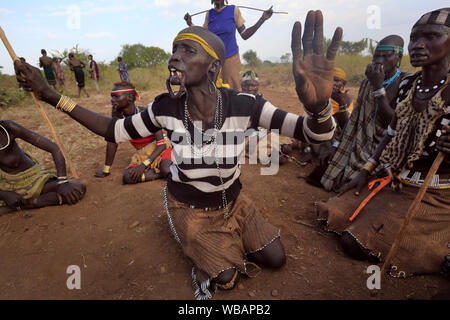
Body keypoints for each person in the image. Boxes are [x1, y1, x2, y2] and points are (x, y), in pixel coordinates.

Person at [15, 11, 342, 299]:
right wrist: (51, 95)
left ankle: (225, 238)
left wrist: (318, 108)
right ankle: (193, 238)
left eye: (188, 50)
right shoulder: (164, 108)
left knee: (276, 258)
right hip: (192, 207)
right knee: (225, 279)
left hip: (235, 202)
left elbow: (316, 134)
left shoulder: (246, 105)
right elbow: (113, 131)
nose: (175, 58)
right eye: (174, 50)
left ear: (214, 65)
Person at [316, 8, 450, 278]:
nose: (418, 45)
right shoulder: (408, 84)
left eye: (431, 37)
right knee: (331, 212)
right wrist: (366, 170)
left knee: (356, 241)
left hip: (435, 193)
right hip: (397, 179)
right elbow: (391, 130)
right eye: (414, 38)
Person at [319, 35, 409, 192]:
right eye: (376, 56)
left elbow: (393, 123)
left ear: (398, 56)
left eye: (386, 56)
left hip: (385, 148)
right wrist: (337, 144)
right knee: (331, 173)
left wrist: (378, 87)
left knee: (362, 184)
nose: (379, 61)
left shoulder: (405, 82)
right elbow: (355, 119)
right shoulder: (367, 82)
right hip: (359, 144)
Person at [0, 120, 86, 215]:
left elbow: (53, 148)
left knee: (77, 188)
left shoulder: (8, 128)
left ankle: (26, 204)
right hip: (5, 186)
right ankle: (17, 202)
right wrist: (4, 194)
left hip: (34, 180)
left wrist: (63, 182)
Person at [94, 81, 172, 183]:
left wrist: (143, 166)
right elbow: (112, 141)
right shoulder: (118, 117)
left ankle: (163, 171)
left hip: (160, 149)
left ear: (130, 98)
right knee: (127, 177)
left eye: (116, 97)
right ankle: (160, 173)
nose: (112, 100)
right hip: (142, 154)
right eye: (111, 97)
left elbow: (161, 144)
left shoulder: (147, 113)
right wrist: (106, 170)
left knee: (166, 169)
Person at [184, 0, 273, 90]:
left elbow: (244, 34)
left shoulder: (233, 10)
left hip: (231, 58)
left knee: (234, 91)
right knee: (213, 91)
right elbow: (204, 35)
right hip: (214, 61)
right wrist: (190, 24)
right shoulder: (209, 14)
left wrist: (262, 19)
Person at [282, 67, 354, 168]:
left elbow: (347, 126)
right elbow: (308, 120)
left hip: (337, 135)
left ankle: (304, 148)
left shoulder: (347, 98)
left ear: (343, 84)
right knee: (315, 124)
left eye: (337, 80)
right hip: (318, 132)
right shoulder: (319, 96)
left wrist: (341, 105)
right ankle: (306, 149)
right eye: (331, 79)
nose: (333, 83)